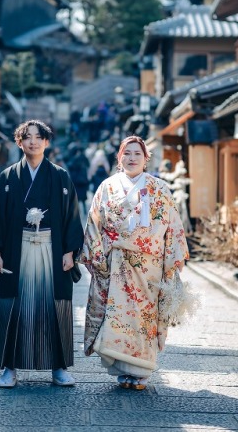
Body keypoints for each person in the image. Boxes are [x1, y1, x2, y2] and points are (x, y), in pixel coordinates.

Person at [0, 120, 84, 389]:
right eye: (27, 137)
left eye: (39, 137)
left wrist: (71, 251)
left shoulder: (60, 177)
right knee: (14, 307)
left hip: (53, 249)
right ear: (19, 142)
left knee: (55, 307)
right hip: (17, 249)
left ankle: (58, 368)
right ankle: (9, 368)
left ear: (47, 142)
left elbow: (72, 216)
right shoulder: (7, 178)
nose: (33, 142)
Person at [80, 135, 189, 391]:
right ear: (119, 158)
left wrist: (172, 260)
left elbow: (172, 225)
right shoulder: (107, 187)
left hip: (148, 266)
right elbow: (95, 222)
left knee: (144, 317)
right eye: (126, 154)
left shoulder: (159, 188)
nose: (131, 158)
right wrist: (97, 255)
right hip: (115, 264)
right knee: (117, 316)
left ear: (145, 159)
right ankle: (122, 369)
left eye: (137, 154)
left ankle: (141, 371)